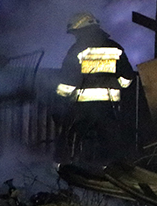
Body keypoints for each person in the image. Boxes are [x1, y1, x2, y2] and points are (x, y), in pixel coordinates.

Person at [54, 11, 136, 163]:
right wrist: (114, 86)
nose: (75, 36)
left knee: (71, 139)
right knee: (112, 142)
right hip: (109, 106)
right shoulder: (115, 48)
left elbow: (68, 79)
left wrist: (59, 97)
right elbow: (127, 77)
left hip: (82, 106)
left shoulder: (77, 50)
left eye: (75, 33)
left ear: (80, 30)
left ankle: (66, 168)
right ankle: (114, 171)